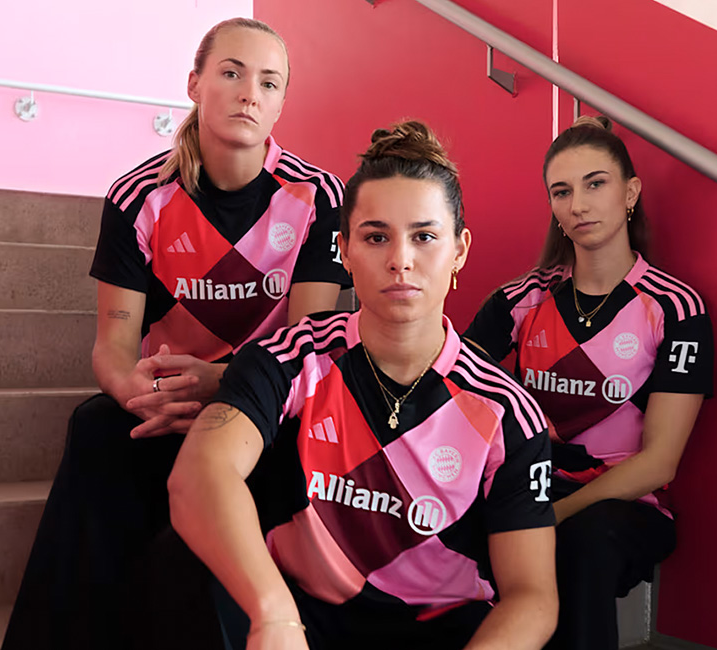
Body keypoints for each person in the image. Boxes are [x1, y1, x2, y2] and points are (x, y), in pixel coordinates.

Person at [2, 18, 350, 650]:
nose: (249, 93)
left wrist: (226, 384)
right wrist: (140, 392)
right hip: (164, 402)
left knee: (299, 450)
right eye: (231, 73)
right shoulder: (139, 196)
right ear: (194, 84)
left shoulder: (318, 196)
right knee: (96, 428)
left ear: (280, 103)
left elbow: (308, 348)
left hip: (263, 406)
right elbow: (113, 347)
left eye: (268, 83)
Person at [168, 120, 559, 650]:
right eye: (377, 237)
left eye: (424, 237)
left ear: (460, 251)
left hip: (439, 630)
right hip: (302, 620)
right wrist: (273, 616)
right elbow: (199, 475)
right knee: (183, 565)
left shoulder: (506, 411)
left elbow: (532, 596)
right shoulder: (292, 358)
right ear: (345, 251)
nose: (401, 260)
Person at [464, 115, 713, 650]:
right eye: (562, 191)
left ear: (630, 193)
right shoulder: (519, 301)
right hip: (529, 487)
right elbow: (454, 404)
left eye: (595, 184)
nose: (578, 204)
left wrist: (550, 515)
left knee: (580, 544)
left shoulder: (675, 308)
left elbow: (660, 462)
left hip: (624, 505)